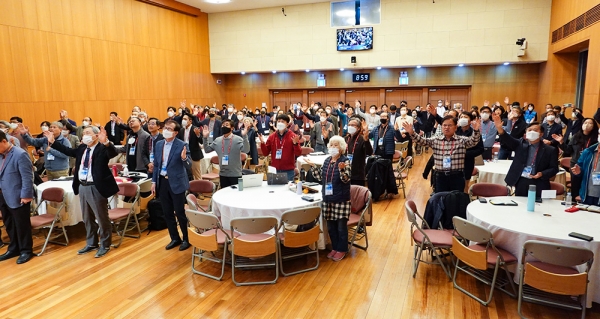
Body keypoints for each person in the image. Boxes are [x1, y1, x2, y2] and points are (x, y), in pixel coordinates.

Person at [46, 125, 118, 258]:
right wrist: (53, 142)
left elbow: (113, 153)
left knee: (101, 218)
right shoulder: (82, 148)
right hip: (82, 186)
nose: (85, 135)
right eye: (84, 133)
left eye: (88, 133)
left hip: (97, 187)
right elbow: (68, 151)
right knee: (87, 217)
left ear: (96, 136)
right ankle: (91, 243)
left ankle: (105, 244)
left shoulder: (102, 148)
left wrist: (106, 142)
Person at [404, 115, 481, 193]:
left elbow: (474, 141)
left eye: (450, 125)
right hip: (440, 175)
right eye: (444, 125)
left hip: (457, 175)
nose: (446, 127)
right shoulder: (436, 140)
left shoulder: (462, 140)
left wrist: (476, 130)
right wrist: (412, 132)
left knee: (456, 199)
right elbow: (422, 141)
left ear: (455, 127)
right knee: (441, 199)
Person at [304, 136, 351, 262]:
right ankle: (335, 247)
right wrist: (313, 166)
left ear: (341, 148)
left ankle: (342, 249)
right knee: (331, 227)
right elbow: (321, 177)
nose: (333, 147)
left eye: (336, 145)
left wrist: (341, 170)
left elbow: (346, 179)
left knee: (341, 227)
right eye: (331, 145)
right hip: (328, 198)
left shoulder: (345, 161)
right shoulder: (327, 161)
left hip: (341, 199)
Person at [491, 114, 558, 197]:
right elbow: (507, 139)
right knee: (520, 204)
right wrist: (499, 129)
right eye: (529, 130)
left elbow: (554, 169)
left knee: (540, 206)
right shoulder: (520, 144)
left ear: (541, 134)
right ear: (526, 133)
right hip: (521, 180)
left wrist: (541, 174)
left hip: (539, 181)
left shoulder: (550, 150)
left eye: (535, 130)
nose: (532, 132)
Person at [151, 120, 192, 251]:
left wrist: (184, 158)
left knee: (180, 212)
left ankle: (187, 239)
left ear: (175, 132)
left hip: (177, 182)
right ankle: (175, 238)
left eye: (169, 128)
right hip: (162, 181)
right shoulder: (158, 144)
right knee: (167, 212)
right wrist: (153, 182)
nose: (166, 130)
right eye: (165, 127)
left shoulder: (182, 145)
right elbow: (157, 165)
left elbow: (189, 166)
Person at [0, 131, 34, 264]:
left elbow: (27, 177)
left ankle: (26, 250)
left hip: (18, 195)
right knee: (9, 223)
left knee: (22, 225)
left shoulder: (20, 154)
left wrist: (26, 195)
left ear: (4, 141)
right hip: (3, 195)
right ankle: (14, 248)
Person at [554, 118, 598, 201]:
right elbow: (568, 150)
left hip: (590, 166)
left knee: (586, 185)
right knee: (575, 186)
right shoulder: (576, 136)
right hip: (575, 164)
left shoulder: (596, 139)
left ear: (593, 126)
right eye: (585, 123)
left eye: (590, 123)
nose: (587, 125)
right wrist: (561, 142)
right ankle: (574, 202)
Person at [204, 119, 250, 188]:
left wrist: (245, 136)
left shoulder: (237, 139)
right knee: (224, 196)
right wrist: (205, 138)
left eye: (226, 125)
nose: (224, 126)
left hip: (235, 174)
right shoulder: (217, 140)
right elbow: (207, 150)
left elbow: (246, 150)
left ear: (232, 128)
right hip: (223, 174)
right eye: (223, 125)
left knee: (236, 195)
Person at [259, 114, 302, 181]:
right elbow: (265, 153)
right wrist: (262, 143)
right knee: (275, 190)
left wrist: (295, 144)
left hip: (288, 170)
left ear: (287, 124)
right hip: (275, 169)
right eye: (278, 121)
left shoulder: (293, 136)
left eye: (282, 121)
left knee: (287, 190)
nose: (280, 123)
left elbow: (298, 153)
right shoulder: (272, 136)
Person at [456, 112, 484, 192]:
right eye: (461, 117)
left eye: (465, 117)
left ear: (470, 120)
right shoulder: (454, 131)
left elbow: (480, 149)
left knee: (464, 185)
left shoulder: (475, 132)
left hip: (467, 162)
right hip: (454, 162)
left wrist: (465, 154)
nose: (463, 118)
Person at [345, 117, 373, 185]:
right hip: (346, 173)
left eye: (353, 125)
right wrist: (326, 139)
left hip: (358, 174)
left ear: (358, 128)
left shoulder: (362, 139)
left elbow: (369, 152)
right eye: (349, 125)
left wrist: (366, 140)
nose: (350, 126)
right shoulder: (346, 138)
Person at [177, 114, 203, 180]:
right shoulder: (181, 130)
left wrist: (198, 135)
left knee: (197, 175)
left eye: (185, 119)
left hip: (194, 155)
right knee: (187, 175)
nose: (183, 120)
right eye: (183, 119)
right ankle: (190, 190)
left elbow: (201, 141)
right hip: (185, 155)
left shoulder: (195, 129)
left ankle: (199, 190)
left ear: (190, 121)